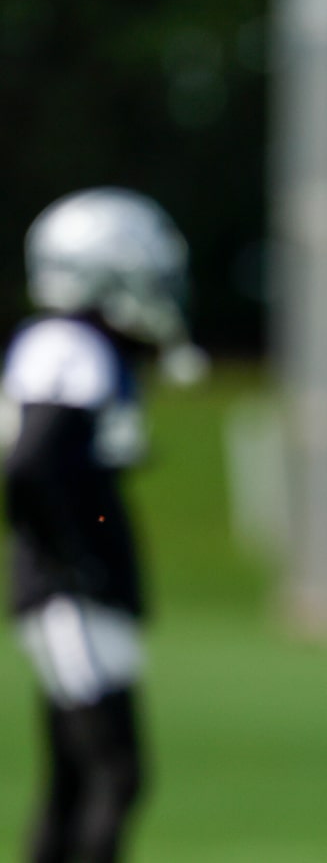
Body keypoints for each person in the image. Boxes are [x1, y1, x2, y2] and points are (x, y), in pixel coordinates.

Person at [3, 187, 205, 862]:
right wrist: (75, 554)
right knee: (115, 773)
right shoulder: (69, 346)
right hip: (69, 589)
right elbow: (33, 466)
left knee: (72, 779)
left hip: (80, 585)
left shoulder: (83, 350)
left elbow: (70, 475)